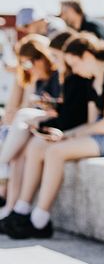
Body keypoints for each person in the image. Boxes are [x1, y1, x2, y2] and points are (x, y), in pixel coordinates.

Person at [4, 33, 104, 239]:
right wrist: (66, 134)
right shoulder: (93, 80)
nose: (73, 70)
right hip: (102, 131)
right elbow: (92, 122)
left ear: (86, 56)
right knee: (40, 147)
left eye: (74, 64)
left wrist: (67, 136)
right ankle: (22, 210)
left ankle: (40, 219)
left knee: (56, 152)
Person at [0, 31, 90, 228]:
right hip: (46, 127)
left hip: (60, 128)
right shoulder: (43, 77)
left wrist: (43, 118)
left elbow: (70, 115)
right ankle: (14, 208)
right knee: (20, 150)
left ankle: (24, 209)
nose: (27, 68)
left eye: (56, 57)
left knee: (26, 141)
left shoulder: (68, 77)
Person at [0, 34, 61, 201]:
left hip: (51, 128)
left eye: (27, 63)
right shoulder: (39, 79)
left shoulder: (57, 76)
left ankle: (1, 164)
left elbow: (65, 109)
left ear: (41, 58)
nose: (26, 68)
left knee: (21, 122)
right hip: (33, 128)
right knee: (17, 155)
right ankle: (10, 207)